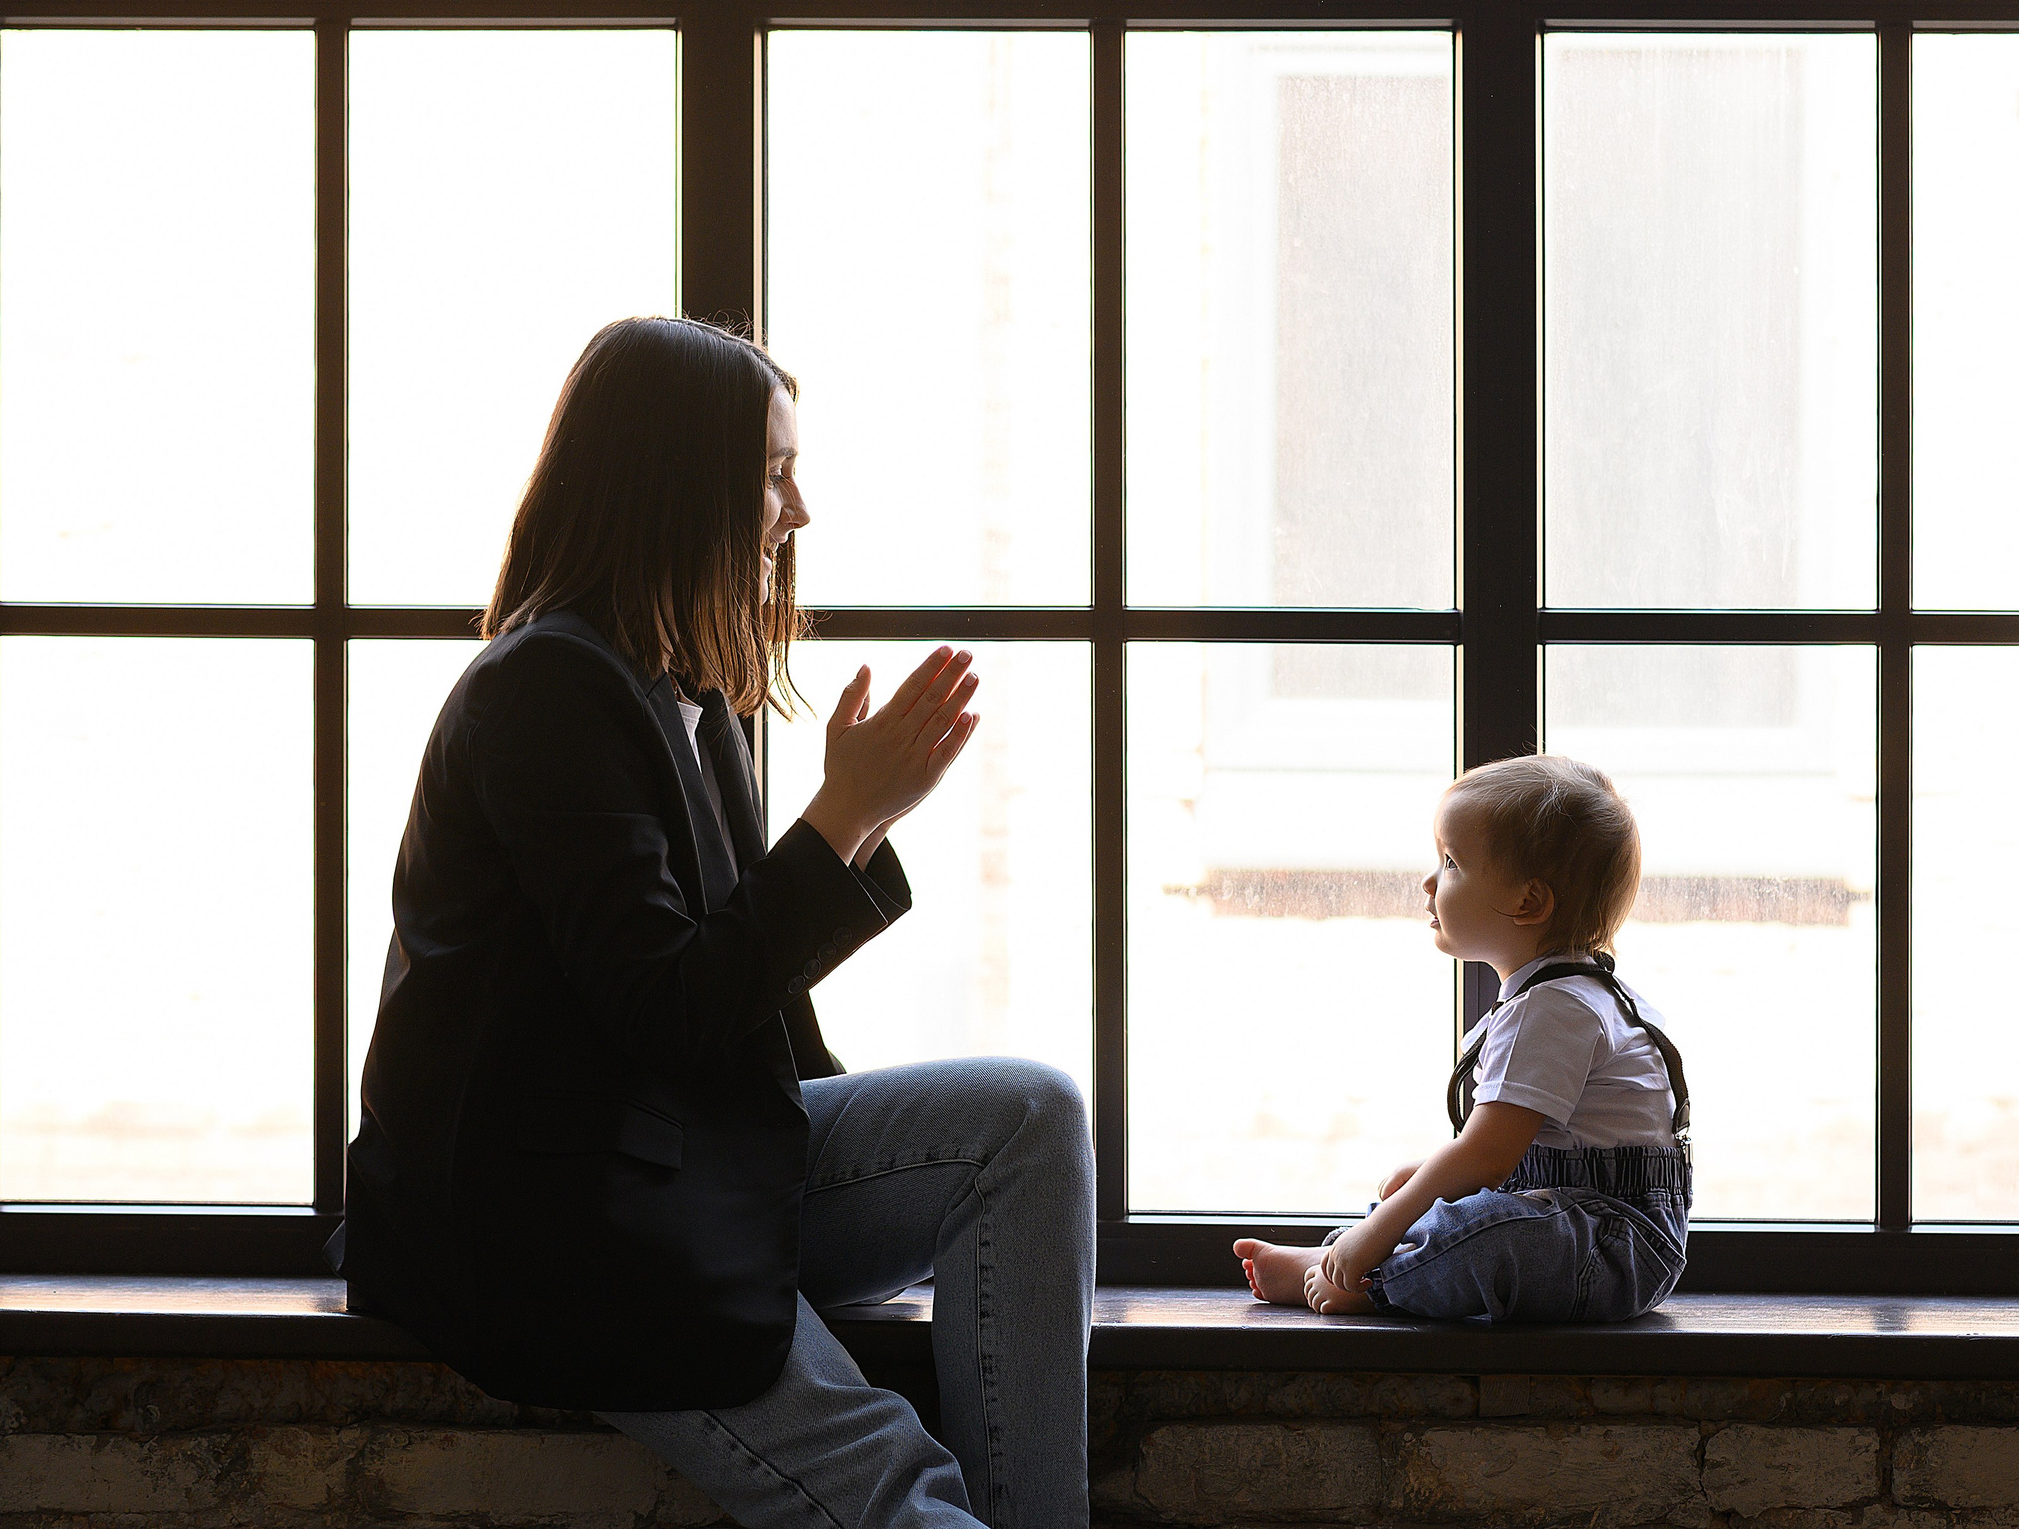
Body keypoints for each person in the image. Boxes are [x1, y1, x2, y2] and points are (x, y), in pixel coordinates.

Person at [335, 316, 1094, 1529]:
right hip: (564, 1224)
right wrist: (840, 822)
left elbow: (751, 1021)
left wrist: (839, 825)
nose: (798, 510)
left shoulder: (679, 688)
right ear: (675, 482)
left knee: (1030, 1115)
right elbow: (665, 1004)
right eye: (774, 473)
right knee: (896, 1486)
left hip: (681, 1153)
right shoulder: (543, 691)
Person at [1231, 755, 1690, 1323]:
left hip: (1614, 1251)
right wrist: (1420, 1185)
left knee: (1486, 1234)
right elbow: (1510, 1156)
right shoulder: (1558, 996)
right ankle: (1345, 1261)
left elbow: (1486, 1158)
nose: (1429, 882)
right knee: (1425, 1191)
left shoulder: (1555, 1010)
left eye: (1450, 863)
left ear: (1528, 902)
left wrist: (1388, 1220)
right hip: (1567, 1214)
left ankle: (1375, 1282)